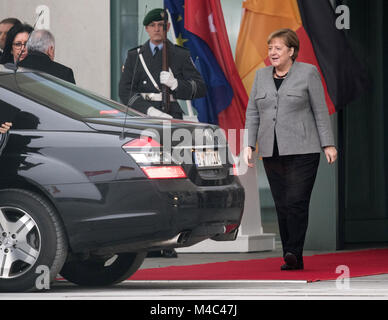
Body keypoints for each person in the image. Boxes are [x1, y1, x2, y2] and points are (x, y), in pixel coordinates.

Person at [244, 28, 337, 270]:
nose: (272, 52)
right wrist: (248, 144)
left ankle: (293, 251)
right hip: (271, 150)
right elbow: (253, 113)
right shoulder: (261, 76)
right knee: (282, 203)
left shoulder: (308, 73)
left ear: (291, 51)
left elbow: (320, 110)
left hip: (304, 149)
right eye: (270, 48)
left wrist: (328, 143)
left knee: (296, 201)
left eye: (278, 48)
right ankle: (291, 255)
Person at [119, 8, 206, 120]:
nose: (156, 29)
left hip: (171, 114)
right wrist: (149, 110)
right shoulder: (135, 55)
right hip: (141, 114)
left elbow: (199, 88)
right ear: (146, 28)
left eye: (161, 25)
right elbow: (124, 91)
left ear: (168, 27)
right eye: (152, 25)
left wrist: (176, 84)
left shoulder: (180, 54)